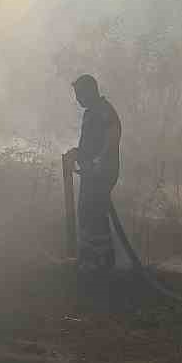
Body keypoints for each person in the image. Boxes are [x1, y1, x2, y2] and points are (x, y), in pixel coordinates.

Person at [64, 74, 122, 272]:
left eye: (80, 94)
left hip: (102, 172)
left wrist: (99, 161)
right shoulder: (90, 113)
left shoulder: (105, 110)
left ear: (90, 91)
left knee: (93, 212)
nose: (77, 99)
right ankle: (91, 259)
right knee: (87, 213)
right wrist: (77, 153)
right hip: (91, 172)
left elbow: (113, 136)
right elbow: (89, 144)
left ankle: (103, 261)